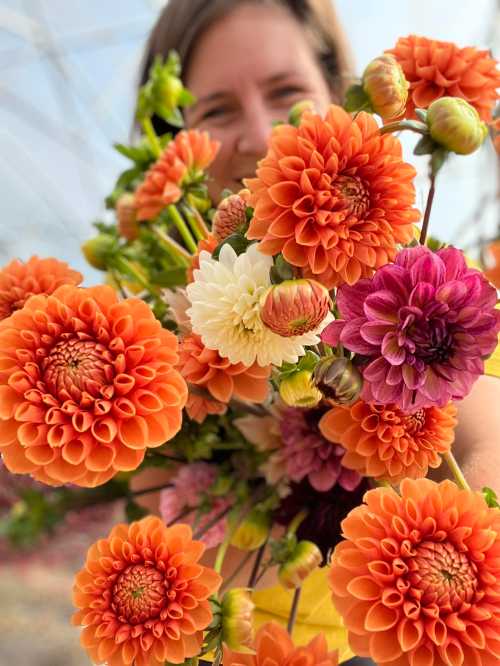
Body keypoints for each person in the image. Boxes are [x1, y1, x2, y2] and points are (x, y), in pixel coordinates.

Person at [133, 2, 500, 664]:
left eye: (286, 92)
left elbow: (487, 427)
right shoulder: (156, 331)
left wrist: (439, 555)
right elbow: (154, 521)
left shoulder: (433, 279)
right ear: (172, 138)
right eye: (215, 109)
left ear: (338, 93)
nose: (260, 130)